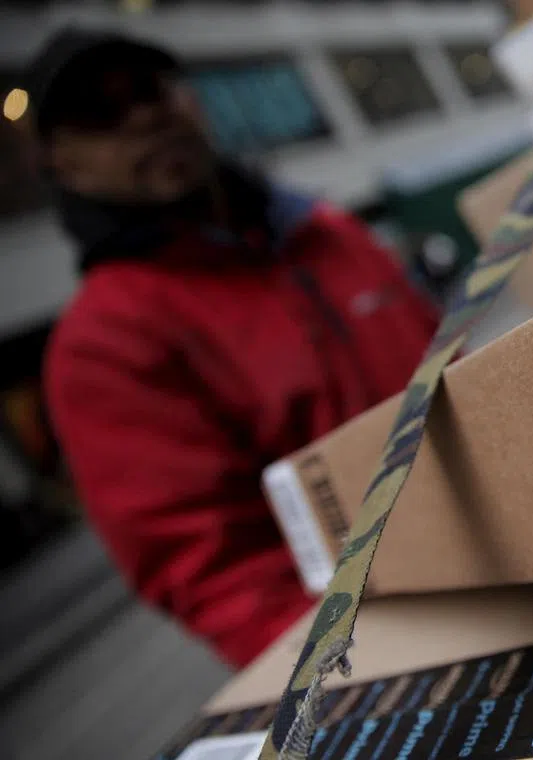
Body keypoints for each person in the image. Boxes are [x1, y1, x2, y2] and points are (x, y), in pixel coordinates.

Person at [26, 29, 441, 667]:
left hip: (516, 548)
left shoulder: (324, 232)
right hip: (396, 641)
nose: (143, 116)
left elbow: (446, 366)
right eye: (100, 114)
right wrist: (360, 672)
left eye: (150, 90)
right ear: (63, 163)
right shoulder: (105, 342)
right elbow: (215, 571)